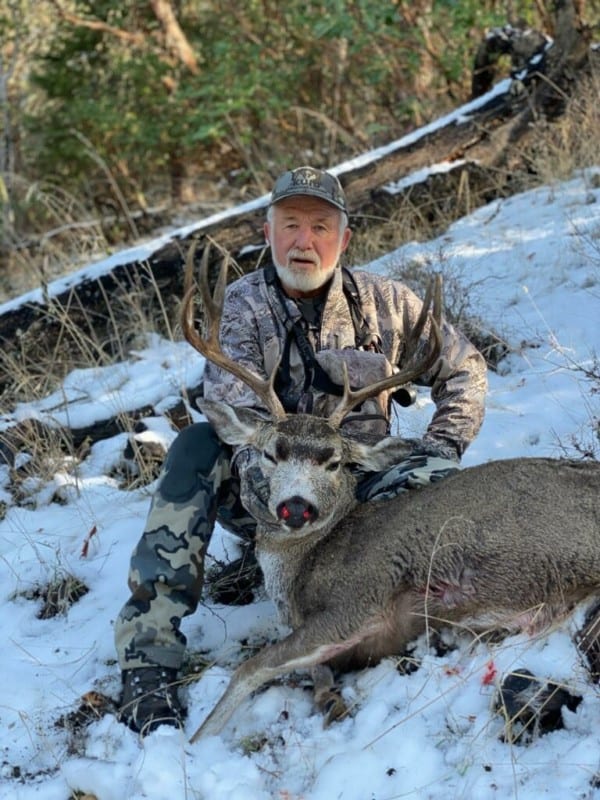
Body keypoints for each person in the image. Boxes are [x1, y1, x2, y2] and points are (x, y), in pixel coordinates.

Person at [114, 166, 488, 734]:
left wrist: (440, 445)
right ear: (267, 233)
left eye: (320, 227)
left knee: (435, 477)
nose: (303, 241)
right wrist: (282, 497)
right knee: (194, 447)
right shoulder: (241, 308)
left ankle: (435, 610)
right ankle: (149, 660)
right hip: (270, 494)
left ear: (344, 238)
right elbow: (237, 421)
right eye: (290, 224)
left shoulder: (387, 302)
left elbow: (466, 371)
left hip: (364, 491)